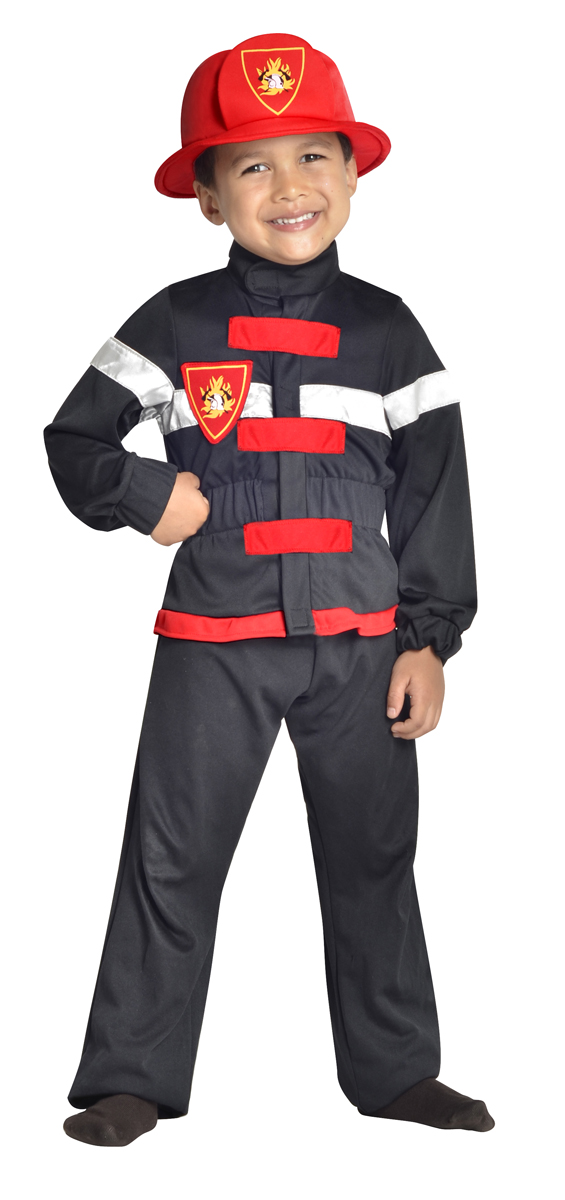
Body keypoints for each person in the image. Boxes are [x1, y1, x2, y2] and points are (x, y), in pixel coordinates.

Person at [44, 31, 494, 1147]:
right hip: (214, 641)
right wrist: (148, 494)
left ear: (352, 173)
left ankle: (397, 1073)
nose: (289, 187)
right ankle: (131, 1077)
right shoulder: (171, 323)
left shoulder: (389, 331)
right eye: (252, 165)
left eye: (312, 157)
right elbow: (73, 441)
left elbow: (435, 492)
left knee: (373, 858)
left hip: (361, 647)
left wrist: (428, 639)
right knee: (171, 856)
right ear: (208, 196)